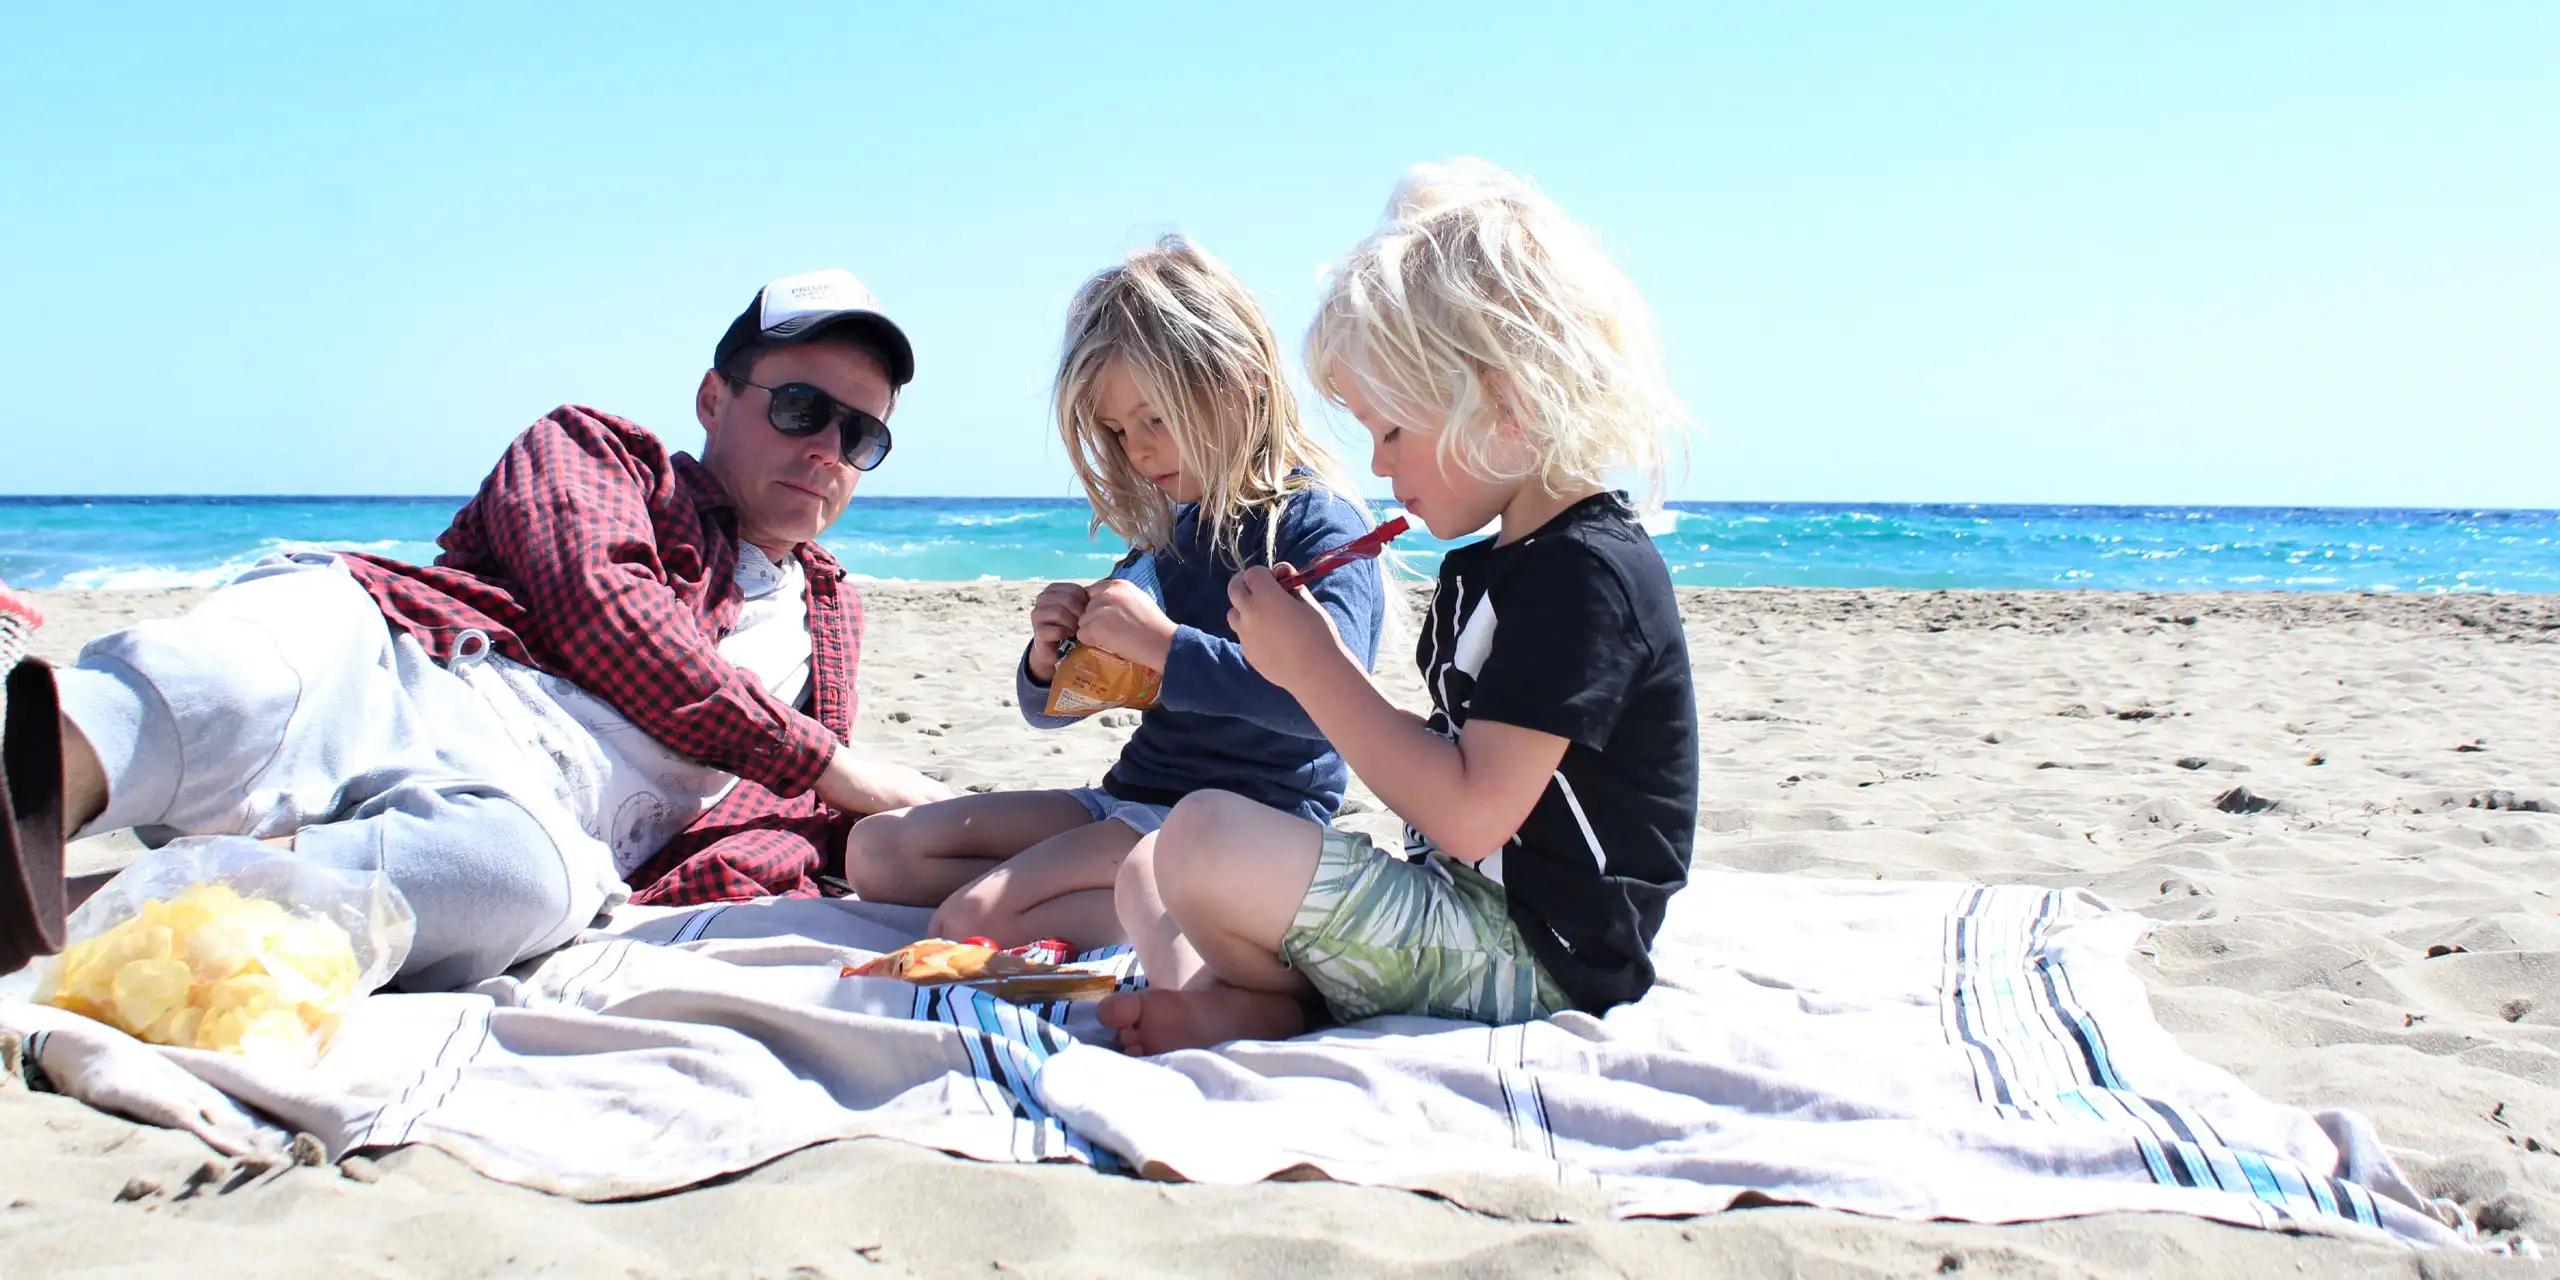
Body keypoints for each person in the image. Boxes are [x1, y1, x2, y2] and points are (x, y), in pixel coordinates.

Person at [0, 270, 952, 989]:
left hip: (530, 810)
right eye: (800, 408)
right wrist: (828, 761)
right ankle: (31, 781)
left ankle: (81, 913)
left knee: (512, 889)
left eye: (860, 436)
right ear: (714, 400)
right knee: (222, 681)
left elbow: (781, 819)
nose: (827, 449)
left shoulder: (829, 618)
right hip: (400, 666)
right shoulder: (599, 451)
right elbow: (607, 610)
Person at [1099, 161, 1701, 1054]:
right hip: (1461, 910)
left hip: (1539, 956)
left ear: (1505, 402)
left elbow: (1468, 815)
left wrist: (1312, 668)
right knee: (1148, 867)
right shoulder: (1498, 565)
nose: (1380, 468)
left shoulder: (1586, 576)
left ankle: (1259, 1003)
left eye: (1392, 431)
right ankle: (1249, 1003)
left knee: (1196, 837)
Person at [845, 236, 1385, 948]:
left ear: (1243, 378)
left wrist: (1161, 646)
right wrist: (1050, 658)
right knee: (878, 852)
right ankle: (1106, 889)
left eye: (1154, 419)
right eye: (1117, 429)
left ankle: (1213, 921)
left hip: (1238, 828)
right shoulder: (1169, 533)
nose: (1137, 450)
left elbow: (1328, 710)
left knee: (971, 922)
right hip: (1132, 798)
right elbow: (1055, 712)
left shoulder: (1316, 524)